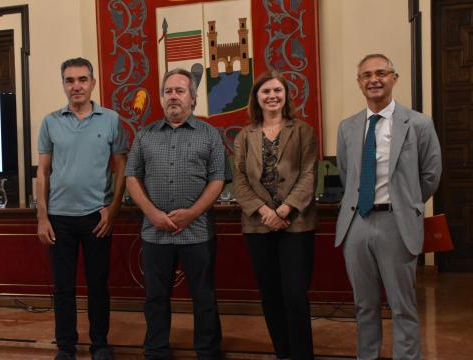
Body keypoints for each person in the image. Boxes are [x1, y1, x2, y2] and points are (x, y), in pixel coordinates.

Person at [335, 53, 442, 360]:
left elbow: (431, 175)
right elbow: (347, 174)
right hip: (357, 224)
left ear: (394, 78)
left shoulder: (418, 123)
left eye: (381, 73)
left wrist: (406, 205)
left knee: (402, 305)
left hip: (397, 222)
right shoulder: (348, 127)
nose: (374, 79)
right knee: (364, 304)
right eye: (366, 75)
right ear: (359, 83)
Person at [125, 68, 230, 360]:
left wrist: (192, 214)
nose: (173, 96)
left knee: (204, 297)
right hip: (154, 231)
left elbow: (218, 179)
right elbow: (131, 177)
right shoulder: (145, 135)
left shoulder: (210, 135)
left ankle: (207, 351)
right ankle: (156, 350)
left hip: (197, 232)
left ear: (193, 99)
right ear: (161, 98)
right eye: (168, 91)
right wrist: (153, 214)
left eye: (180, 91)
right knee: (156, 298)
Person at [36, 57, 127, 360]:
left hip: (96, 217)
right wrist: (42, 217)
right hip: (59, 218)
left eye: (82, 79)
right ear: (63, 84)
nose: (76, 86)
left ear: (93, 83)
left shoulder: (111, 119)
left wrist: (112, 209)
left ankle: (100, 344)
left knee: (98, 285)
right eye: (70, 80)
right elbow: (43, 172)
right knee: (63, 288)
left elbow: (121, 168)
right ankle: (66, 346)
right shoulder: (50, 122)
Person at [232, 71, 318, 360]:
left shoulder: (303, 130)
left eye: (277, 90)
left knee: (295, 295)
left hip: (296, 224)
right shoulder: (245, 135)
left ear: (285, 95)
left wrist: (285, 209)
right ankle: (283, 353)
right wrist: (264, 211)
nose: (272, 95)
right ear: (256, 97)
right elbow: (239, 179)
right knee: (270, 296)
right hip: (258, 226)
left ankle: (302, 355)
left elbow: (308, 174)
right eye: (265, 91)